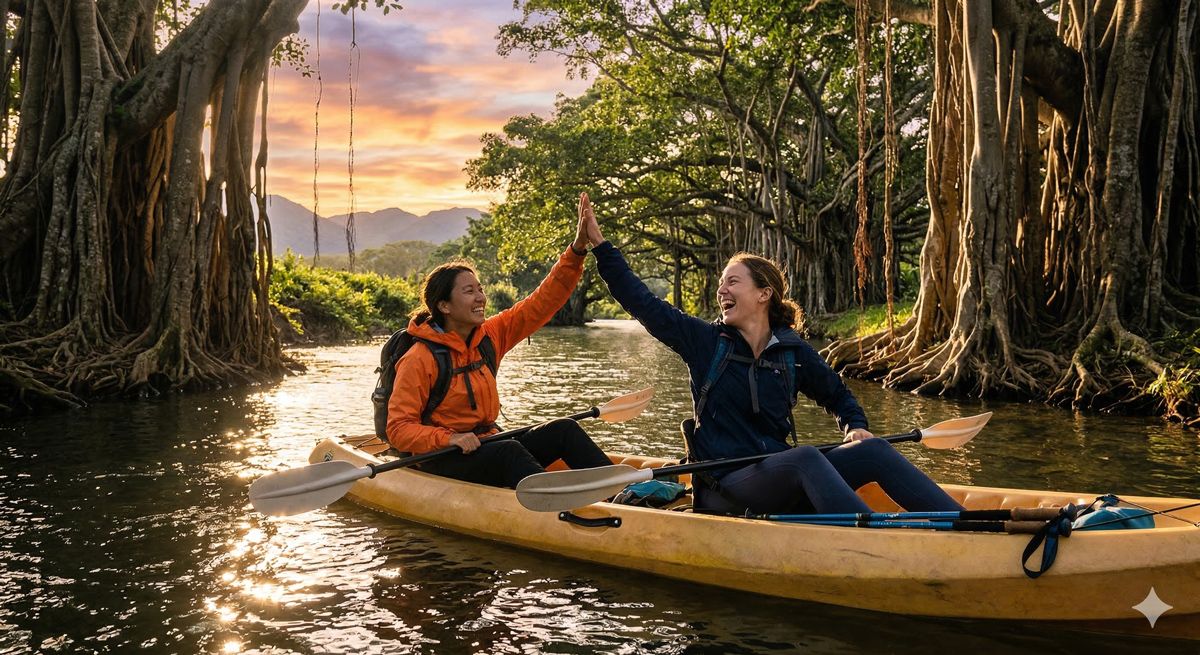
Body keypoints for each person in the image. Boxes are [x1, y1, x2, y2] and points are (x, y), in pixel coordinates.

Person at [577, 192, 963, 515]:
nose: (722, 290)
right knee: (805, 457)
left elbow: (838, 395)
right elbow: (641, 301)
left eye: (732, 281)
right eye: (720, 284)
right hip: (725, 486)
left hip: (778, 475)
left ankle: (969, 526)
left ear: (764, 294)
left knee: (873, 450)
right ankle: (876, 540)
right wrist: (600, 246)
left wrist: (853, 425)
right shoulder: (705, 342)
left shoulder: (792, 352)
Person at [385, 205, 611, 489]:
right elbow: (398, 429)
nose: (480, 297)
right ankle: (554, 504)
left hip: (487, 442)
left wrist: (577, 250)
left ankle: (625, 492)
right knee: (510, 451)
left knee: (563, 429)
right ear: (444, 306)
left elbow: (542, 302)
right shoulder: (419, 358)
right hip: (443, 455)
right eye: (469, 291)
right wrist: (450, 438)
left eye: (480, 289)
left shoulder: (489, 336)